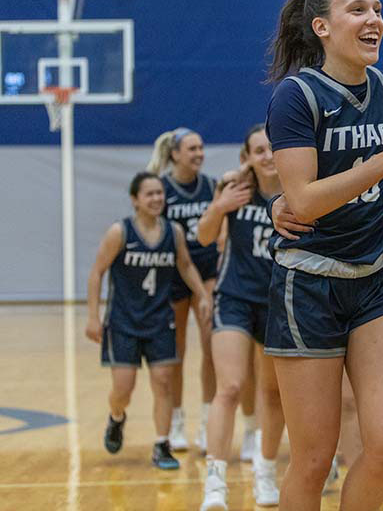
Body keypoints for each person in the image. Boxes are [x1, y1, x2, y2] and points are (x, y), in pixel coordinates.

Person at [263, 0, 383, 511]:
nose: (374, 21)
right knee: (314, 458)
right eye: (358, 10)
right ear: (322, 27)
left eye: (378, 9)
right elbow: (303, 201)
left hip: (377, 281)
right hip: (310, 283)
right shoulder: (296, 96)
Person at [85, 172, 211, 470]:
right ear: (135, 200)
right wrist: (93, 316)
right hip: (123, 322)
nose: (157, 199)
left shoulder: (174, 232)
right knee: (123, 390)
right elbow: (96, 273)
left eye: (160, 193)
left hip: (159, 320)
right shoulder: (120, 232)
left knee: (164, 383)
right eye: (149, 194)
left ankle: (161, 444)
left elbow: (186, 265)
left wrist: (203, 294)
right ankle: (116, 418)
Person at [197, 125, 288, 510]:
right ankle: (215, 482)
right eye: (258, 150)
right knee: (230, 387)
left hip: (278, 302)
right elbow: (203, 238)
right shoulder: (234, 190)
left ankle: (264, 470)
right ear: (247, 157)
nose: (267, 155)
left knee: (272, 393)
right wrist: (218, 207)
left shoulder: (297, 189)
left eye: (272, 147)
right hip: (235, 298)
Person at [147, 128, 233, 454]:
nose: (199, 153)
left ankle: (208, 422)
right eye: (192, 149)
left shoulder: (211, 186)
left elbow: (222, 224)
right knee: (176, 352)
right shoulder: (162, 190)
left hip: (208, 272)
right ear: (175, 155)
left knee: (213, 345)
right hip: (173, 274)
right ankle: (177, 421)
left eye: (201, 147)